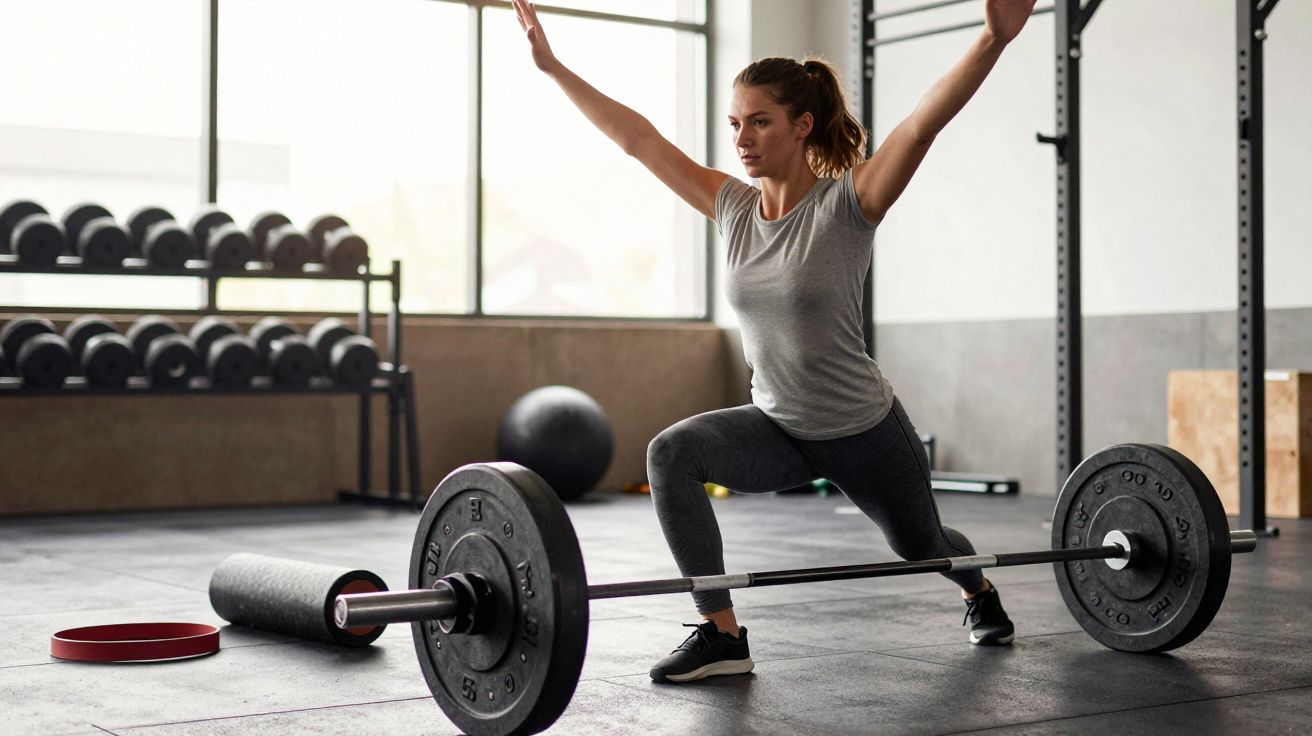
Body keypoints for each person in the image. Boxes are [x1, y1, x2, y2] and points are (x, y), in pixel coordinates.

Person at [512, 0, 1036, 683]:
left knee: (922, 546)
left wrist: (993, 39)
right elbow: (637, 139)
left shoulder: (850, 203)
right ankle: (722, 634)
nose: (742, 137)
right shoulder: (732, 206)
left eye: (759, 121)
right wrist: (554, 69)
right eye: (735, 123)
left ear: (802, 125)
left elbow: (922, 123)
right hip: (780, 426)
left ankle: (979, 590)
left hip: (864, 429)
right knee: (671, 453)